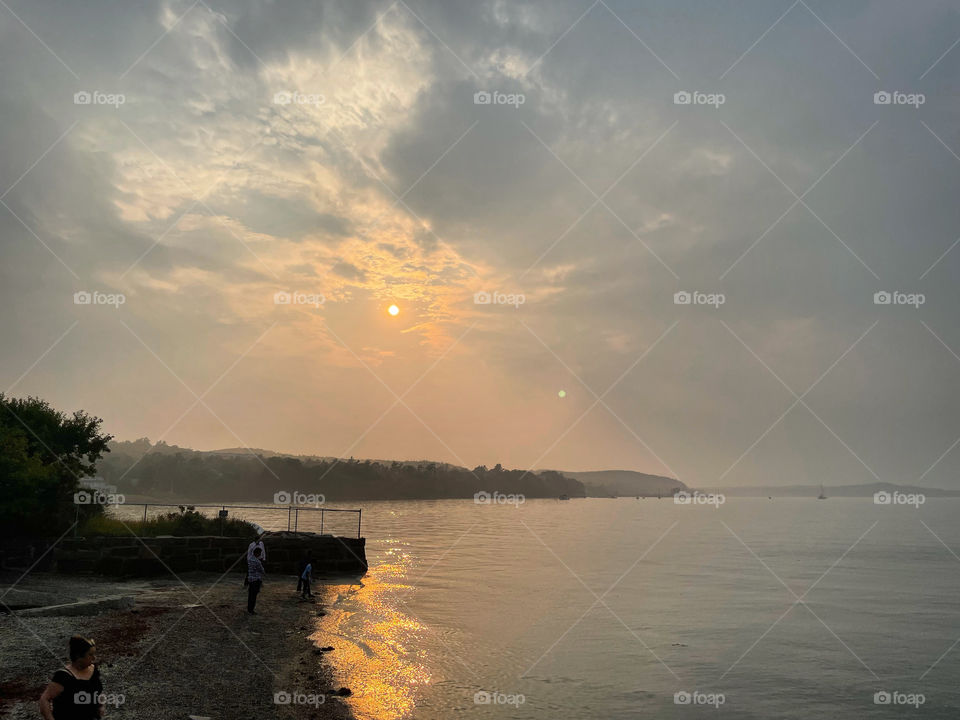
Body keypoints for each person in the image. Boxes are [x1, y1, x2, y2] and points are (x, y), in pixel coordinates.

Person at [39, 635, 104, 719]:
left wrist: (101, 705)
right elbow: (44, 700)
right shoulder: (63, 677)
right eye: (90, 655)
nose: (94, 658)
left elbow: (98, 691)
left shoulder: (93, 670)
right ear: (78, 656)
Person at [247, 546, 265, 614]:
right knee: (254, 596)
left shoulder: (250, 559)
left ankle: (249, 608)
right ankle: (251, 609)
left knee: (250, 595)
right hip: (256, 579)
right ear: (257, 553)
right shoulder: (257, 561)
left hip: (251, 578)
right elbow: (262, 570)